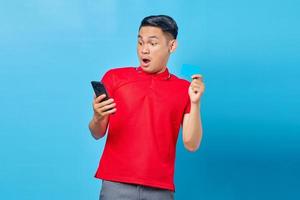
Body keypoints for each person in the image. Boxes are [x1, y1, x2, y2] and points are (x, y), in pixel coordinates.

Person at [89, 15, 205, 200]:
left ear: (172, 46)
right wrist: (97, 116)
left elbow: (191, 144)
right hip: (116, 183)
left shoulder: (184, 89)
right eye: (140, 42)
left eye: (152, 43)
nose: (144, 50)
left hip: (160, 188)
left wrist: (195, 102)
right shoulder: (114, 78)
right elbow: (97, 133)